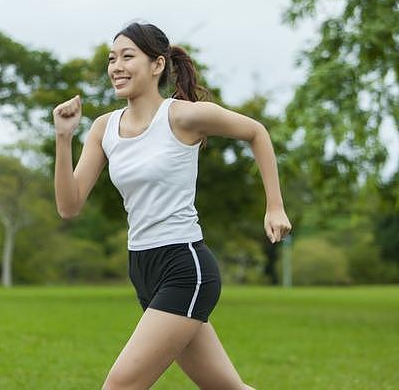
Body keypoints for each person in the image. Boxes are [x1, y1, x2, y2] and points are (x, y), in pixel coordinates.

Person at [52, 21, 292, 390]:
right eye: (111, 58)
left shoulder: (182, 116)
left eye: (127, 56)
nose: (116, 66)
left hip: (184, 265)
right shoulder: (103, 128)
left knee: (119, 386)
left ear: (157, 64)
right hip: (142, 267)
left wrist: (274, 206)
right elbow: (69, 206)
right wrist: (64, 138)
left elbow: (255, 132)